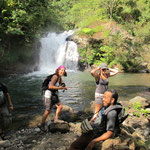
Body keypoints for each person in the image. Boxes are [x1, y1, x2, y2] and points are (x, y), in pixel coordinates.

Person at [39, 65, 68, 131]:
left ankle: (56, 119)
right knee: (48, 110)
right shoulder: (55, 76)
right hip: (48, 94)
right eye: (61, 70)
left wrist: (63, 85)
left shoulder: (59, 77)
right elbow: (50, 86)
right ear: (58, 70)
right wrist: (61, 88)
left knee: (60, 106)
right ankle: (42, 124)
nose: (62, 71)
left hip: (53, 94)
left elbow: (61, 83)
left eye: (63, 70)